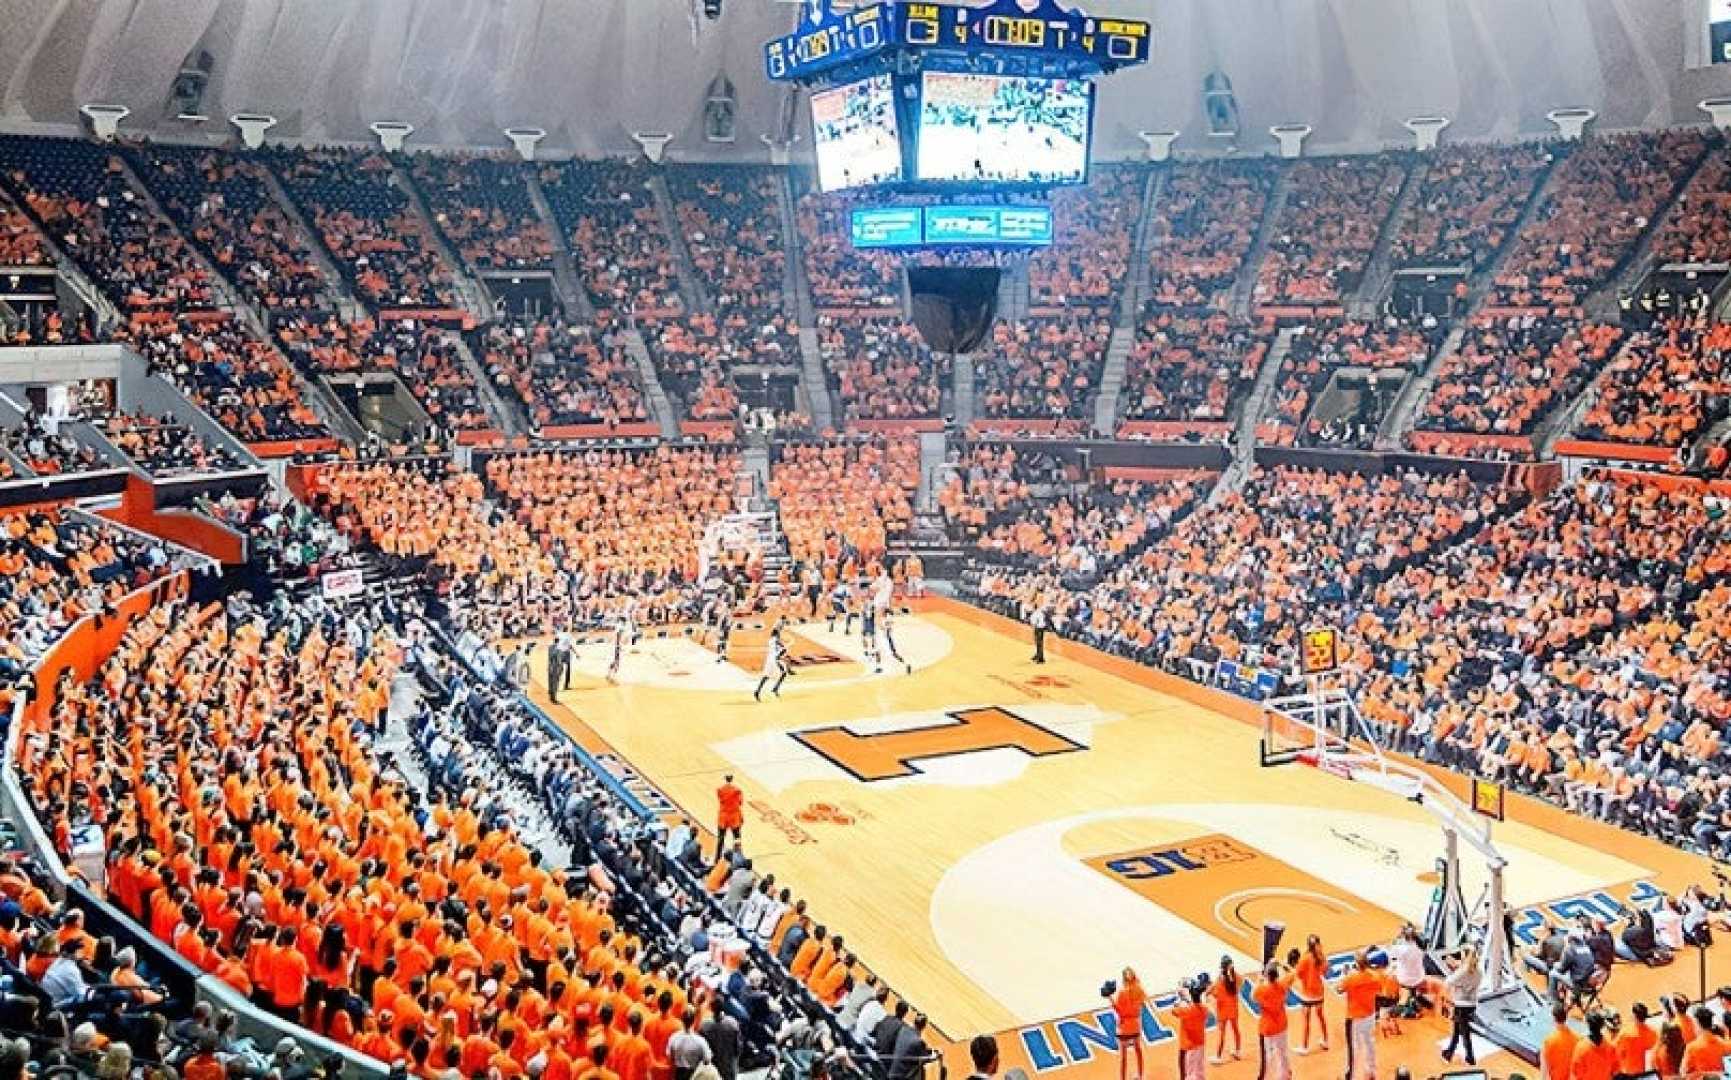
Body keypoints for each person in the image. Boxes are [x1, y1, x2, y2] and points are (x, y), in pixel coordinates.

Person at [1339, 950, 1380, 1080]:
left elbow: (1339, 989)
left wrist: (1344, 975)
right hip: (1370, 1015)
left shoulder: (1351, 978)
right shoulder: (1374, 976)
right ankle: (1371, 1070)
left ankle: (1351, 1076)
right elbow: (1378, 989)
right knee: (1370, 1043)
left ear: (1357, 964)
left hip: (1355, 1018)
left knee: (1354, 1048)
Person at [1252, 959, 1292, 1080]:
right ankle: (1285, 1076)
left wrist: (1259, 980)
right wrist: (1280, 964)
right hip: (1282, 1026)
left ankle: (1264, 1078)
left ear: (1267, 976)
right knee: (1283, 1053)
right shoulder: (1283, 985)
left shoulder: (1261, 990)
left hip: (1268, 1029)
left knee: (1267, 1057)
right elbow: (1292, 973)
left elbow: (1252, 996)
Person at [1441, 945, 1479, 1066]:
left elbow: (1448, 982)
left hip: (1460, 1005)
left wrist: (1455, 968)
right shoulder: (1479, 971)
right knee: (1457, 1031)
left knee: (1464, 1033)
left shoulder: (1462, 972)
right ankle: (1449, 1053)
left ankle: (1470, 1058)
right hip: (1471, 1004)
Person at [1293, 935, 1329, 1054]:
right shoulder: (1322, 957)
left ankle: (1304, 1047)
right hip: (1319, 993)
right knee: (1321, 1016)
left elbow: (1298, 974)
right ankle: (1325, 1040)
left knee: (1306, 1020)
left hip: (1307, 994)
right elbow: (1324, 971)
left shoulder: (1305, 958)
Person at [1109, 969, 1146, 1080]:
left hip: (1123, 1028)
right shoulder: (1139, 990)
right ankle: (1140, 1076)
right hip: (1135, 1026)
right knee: (1138, 1050)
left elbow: (1118, 1010)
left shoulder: (1121, 993)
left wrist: (1110, 998)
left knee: (1123, 1057)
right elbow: (1142, 1004)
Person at [1171, 979, 1208, 1080]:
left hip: (1189, 1045)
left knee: (1190, 1072)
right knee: (1200, 1070)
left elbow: (1174, 1011)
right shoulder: (1204, 1009)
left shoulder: (1186, 1010)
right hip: (1200, 1043)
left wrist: (1182, 1000)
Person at [1209, 957, 1242, 1064]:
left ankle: (1218, 1056)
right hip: (1233, 1008)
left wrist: (1208, 993)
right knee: (1236, 1029)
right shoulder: (1236, 976)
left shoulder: (1220, 980)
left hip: (1222, 1010)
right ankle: (1237, 1051)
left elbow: (1214, 993)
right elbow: (1241, 981)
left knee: (1221, 1033)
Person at [1571, 1011, 1618, 1080]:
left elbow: (1576, 1073)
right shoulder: (1610, 1046)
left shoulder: (1581, 1047)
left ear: (1588, 1025)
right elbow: (1615, 1069)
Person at [1616, 1001, 1657, 1075]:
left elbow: (1618, 1054)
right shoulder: (1652, 1033)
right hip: (1645, 1073)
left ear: (1634, 1015)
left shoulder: (1625, 1033)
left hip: (1628, 1073)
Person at [1542, 1002, 1578, 1080]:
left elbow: (1544, 1070)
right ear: (1566, 1017)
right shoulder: (1577, 1038)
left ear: (1554, 1018)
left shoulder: (1549, 1041)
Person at [753, 624, 789, 701]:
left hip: (769, 659)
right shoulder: (776, 640)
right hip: (775, 659)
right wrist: (781, 654)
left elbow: (779, 648)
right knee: (784, 672)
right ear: (777, 634)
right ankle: (775, 688)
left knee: (767, 676)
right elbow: (784, 649)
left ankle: (758, 691)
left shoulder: (770, 640)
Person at [716, 776, 744, 852]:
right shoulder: (737, 791)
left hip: (723, 817)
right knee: (737, 838)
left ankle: (717, 858)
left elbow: (721, 800)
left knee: (720, 838)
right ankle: (738, 856)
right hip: (734, 817)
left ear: (725, 779)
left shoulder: (720, 790)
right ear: (732, 779)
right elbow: (740, 803)